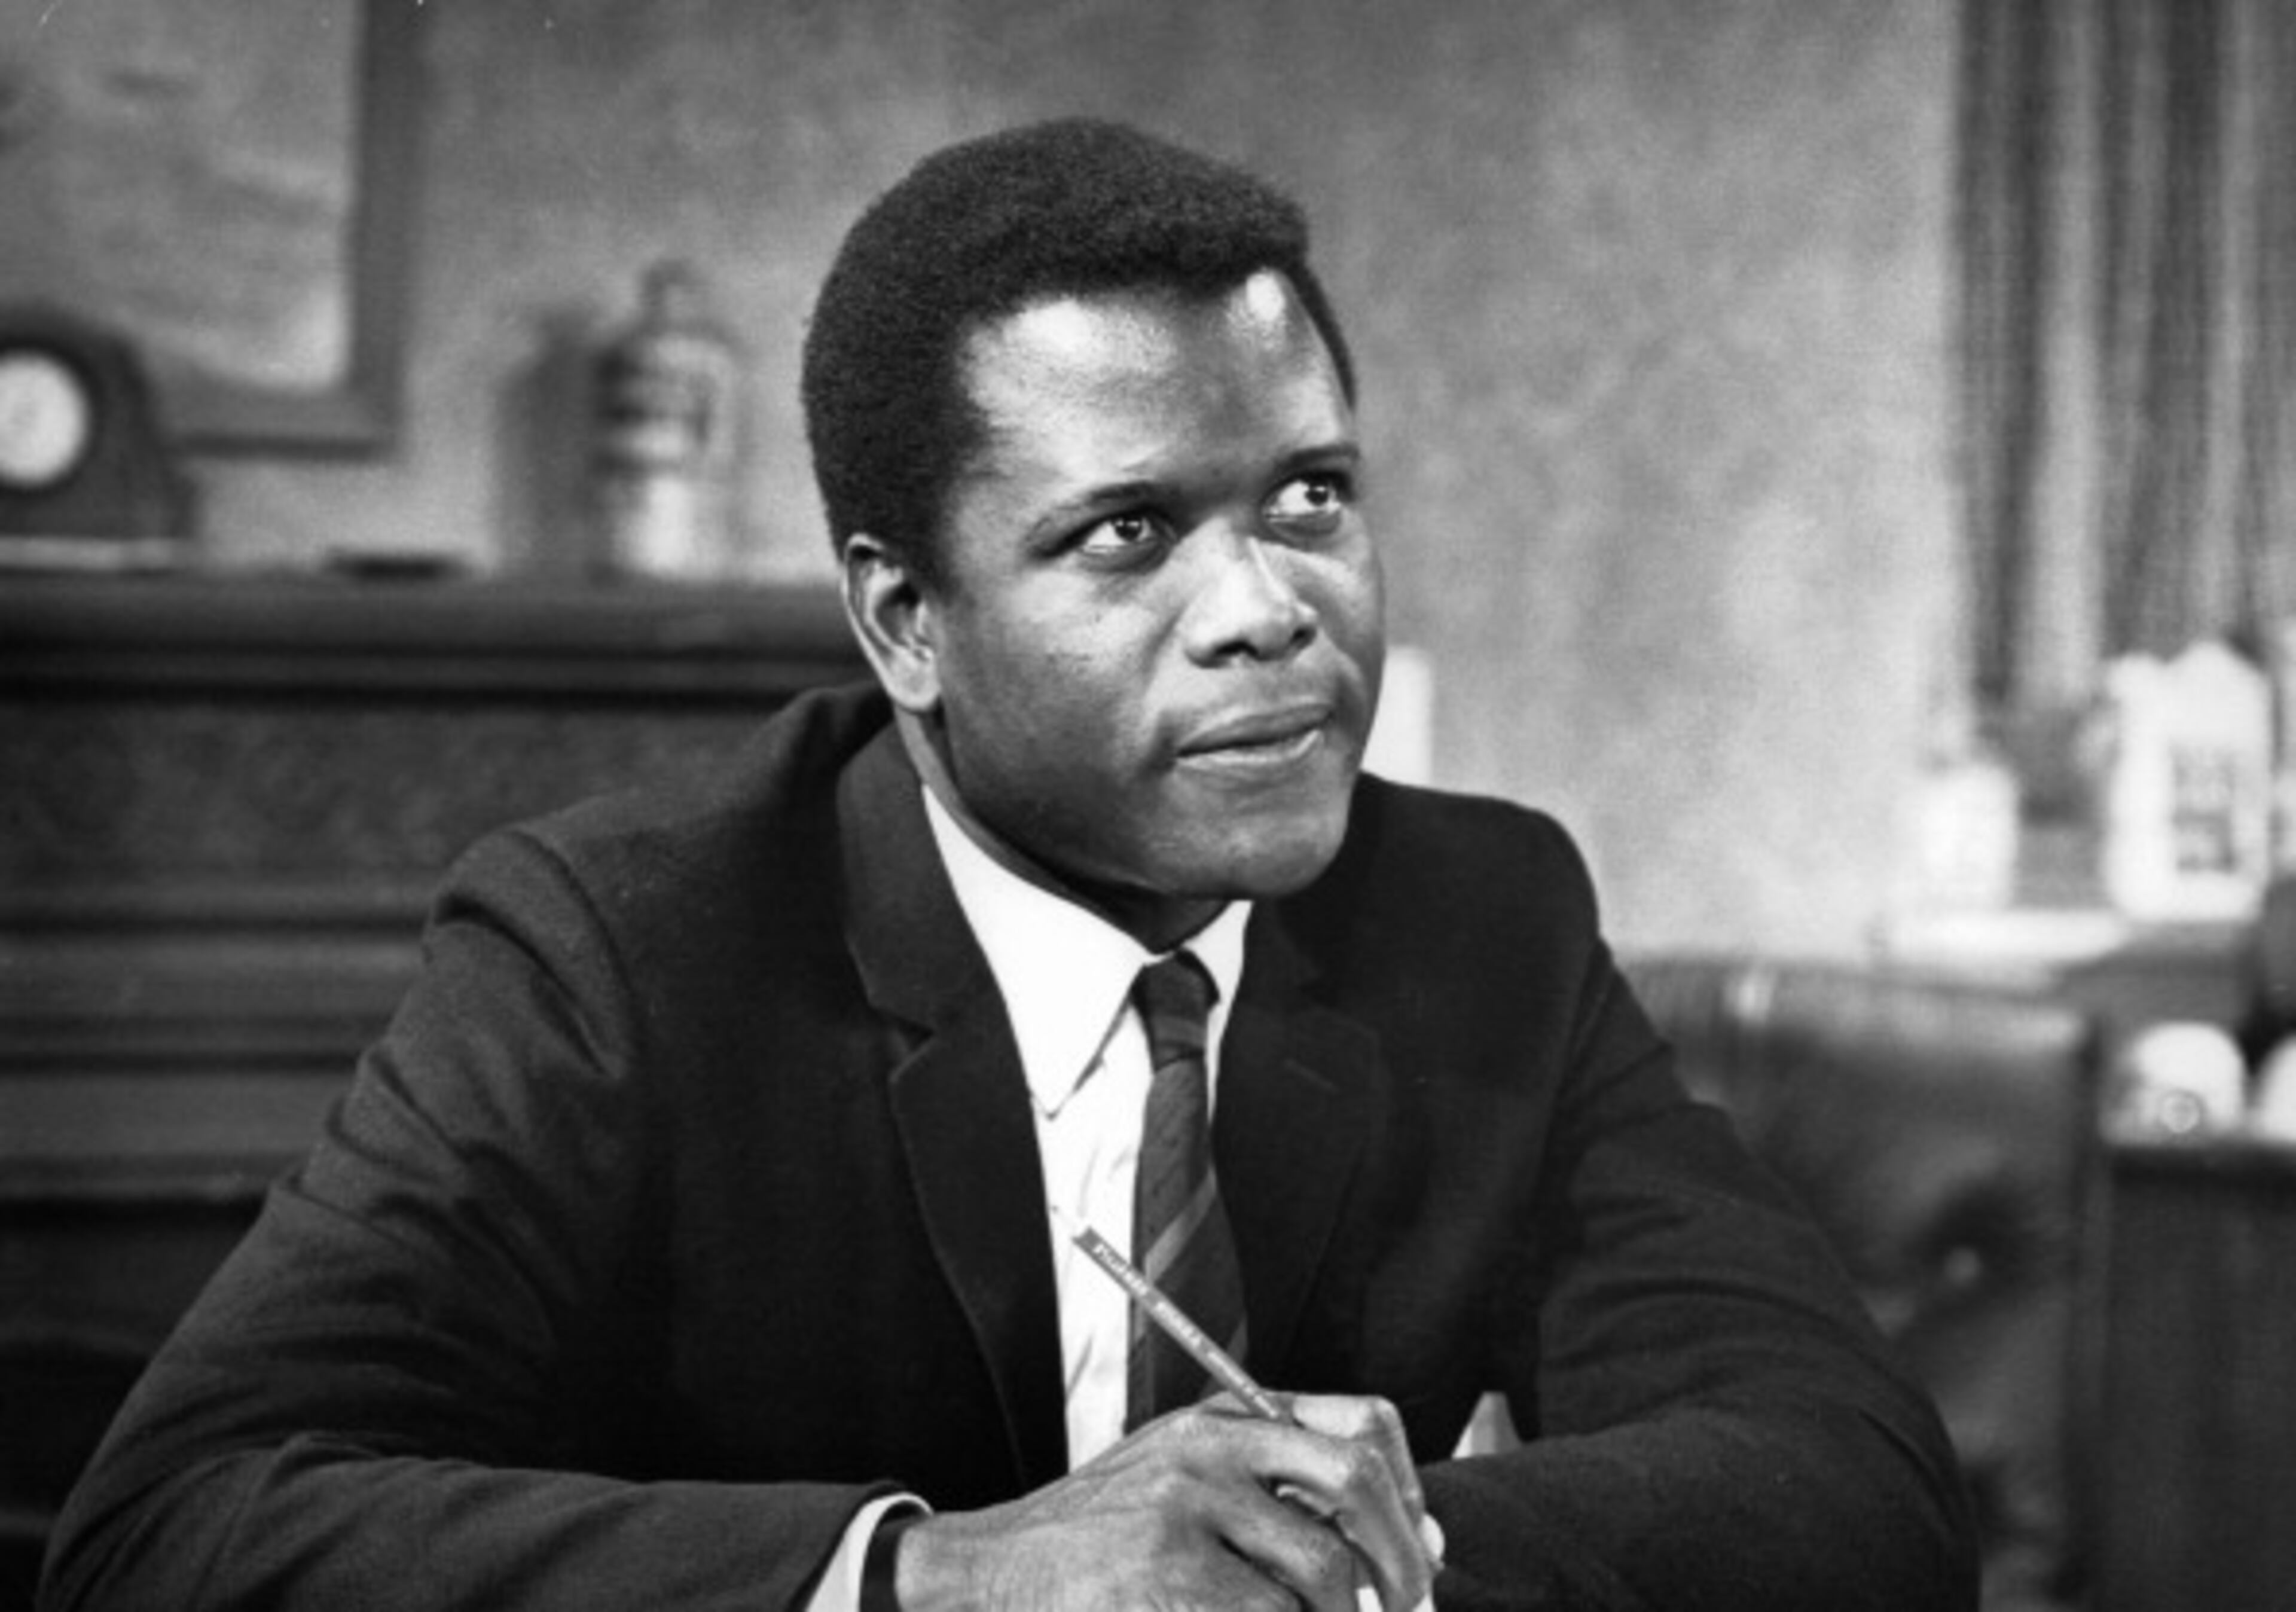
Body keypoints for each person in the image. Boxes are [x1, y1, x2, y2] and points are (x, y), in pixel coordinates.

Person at [42, 118, 1975, 1612]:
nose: (1270, 614)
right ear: (906, 625)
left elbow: (1859, 1483)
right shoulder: (622, 950)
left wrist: (1361, 1546)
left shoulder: (1488, 920)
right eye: (1129, 535)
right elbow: (168, 1528)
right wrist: (943, 1576)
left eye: (1312, 498)